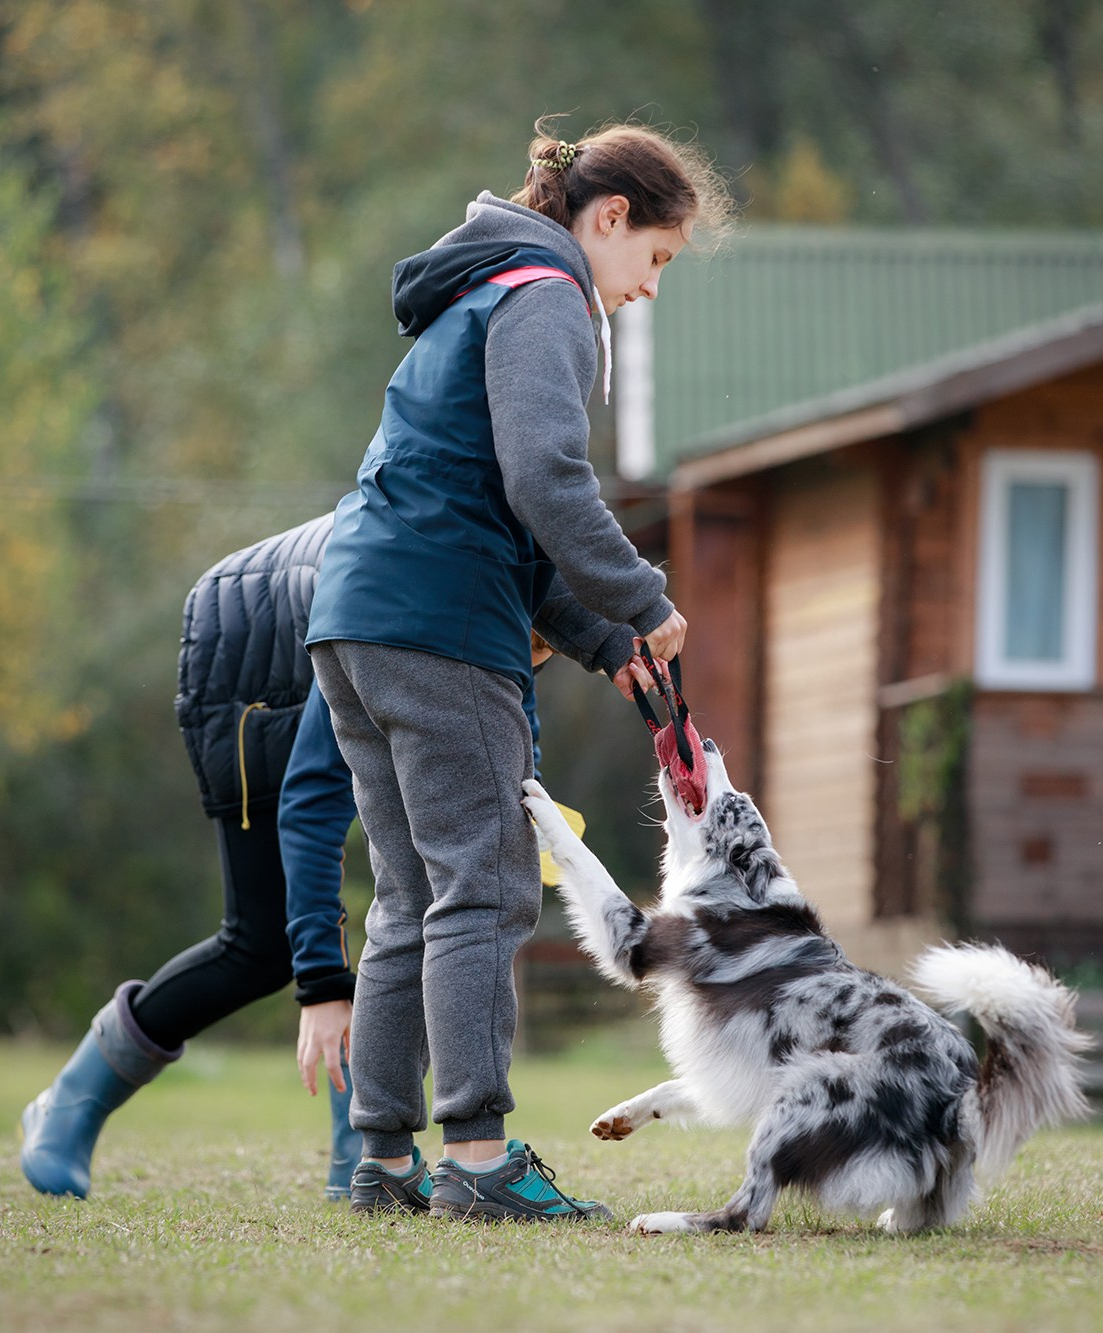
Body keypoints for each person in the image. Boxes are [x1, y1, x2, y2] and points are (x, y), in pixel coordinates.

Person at [304, 119, 732, 1222]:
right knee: (485, 888)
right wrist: (645, 599)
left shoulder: (485, 287)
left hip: (357, 617)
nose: (647, 289)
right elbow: (545, 481)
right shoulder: (546, 294)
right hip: (439, 627)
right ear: (608, 220)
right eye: (656, 258)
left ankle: (384, 1161)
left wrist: (605, 644)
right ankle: (482, 1159)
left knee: (411, 893)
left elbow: (502, 517)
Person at [18, 513, 638, 1200]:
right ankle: (71, 1102)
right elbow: (311, 797)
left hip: (367, 629)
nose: (530, 661)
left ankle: (366, 1159)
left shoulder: (502, 595)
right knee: (261, 947)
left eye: (543, 653)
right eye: (531, 644)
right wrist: (319, 986)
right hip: (247, 665)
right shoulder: (434, 594)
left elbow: (508, 735)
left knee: (423, 882)